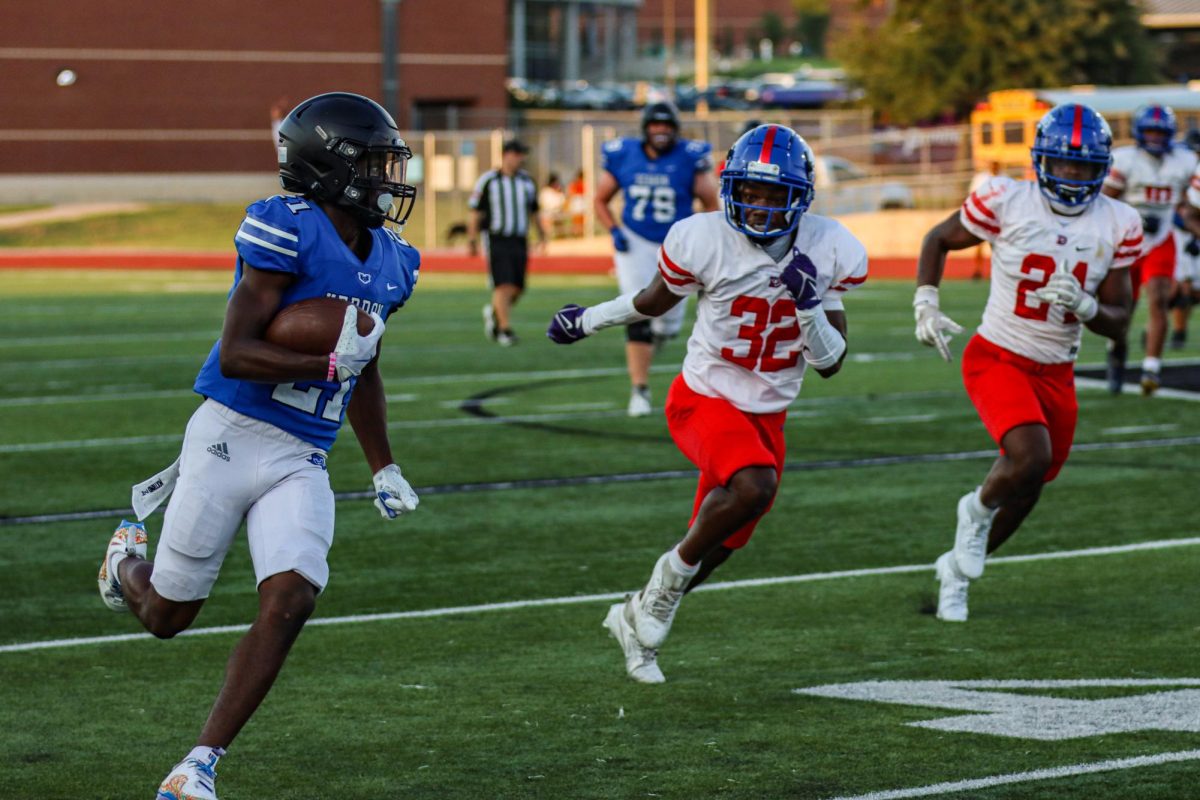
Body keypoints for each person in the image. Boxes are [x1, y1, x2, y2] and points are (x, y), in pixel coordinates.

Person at [96, 92, 422, 800]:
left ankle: (198, 765)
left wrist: (383, 463)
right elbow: (238, 353)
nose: (388, 177)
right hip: (229, 437)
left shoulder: (396, 259)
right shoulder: (285, 230)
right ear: (327, 167)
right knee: (165, 617)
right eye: (372, 163)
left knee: (293, 595)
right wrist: (325, 365)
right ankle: (125, 562)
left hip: (302, 453)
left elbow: (365, 367)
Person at [547, 124, 868, 683]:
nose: (760, 206)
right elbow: (651, 299)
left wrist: (810, 304)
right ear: (729, 188)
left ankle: (633, 618)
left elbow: (832, 362)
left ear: (802, 197)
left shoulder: (829, 245)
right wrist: (588, 320)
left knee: (725, 537)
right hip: (704, 396)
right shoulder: (703, 236)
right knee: (754, 486)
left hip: (768, 411)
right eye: (750, 191)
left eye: (774, 194)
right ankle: (665, 582)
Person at [914, 104, 1139, 622]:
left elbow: (1120, 320)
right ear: (1041, 162)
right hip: (998, 355)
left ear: (1102, 168)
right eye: (1063, 164)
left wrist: (1086, 306)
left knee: (1031, 481)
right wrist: (925, 301)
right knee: (1029, 455)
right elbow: (938, 239)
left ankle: (957, 572)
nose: (1073, 176)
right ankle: (972, 512)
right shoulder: (1006, 199)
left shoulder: (1120, 222)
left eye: (1083, 167)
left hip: (1056, 370)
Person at [594, 100, 720, 416]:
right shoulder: (624, 154)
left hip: (676, 244)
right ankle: (640, 390)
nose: (660, 130)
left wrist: (702, 239)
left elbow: (710, 203)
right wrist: (614, 230)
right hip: (635, 241)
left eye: (666, 125)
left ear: (675, 129)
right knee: (637, 309)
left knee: (667, 323)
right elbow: (600, 199)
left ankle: (657, 338)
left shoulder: (690, 157)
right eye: (655, 124)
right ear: (646, 128)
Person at [1100, 104, 1198, 394]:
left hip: (1161, 239)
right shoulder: (1126, 159)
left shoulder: (1184, 160)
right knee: (1124, 307)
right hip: (1126, 240)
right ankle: (1116, 353)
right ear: (1140, 133)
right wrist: (1131, 219)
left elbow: (1189, 201)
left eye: (1160, 132)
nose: (1155, 137)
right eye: (1150, 131)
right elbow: (1105, 201)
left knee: (1158, 299)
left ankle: (1151, 368)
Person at [468, 139, 546, 346]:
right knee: (503, 284)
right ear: (506, 155)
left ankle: (494, 313)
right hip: (496, 238)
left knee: (519, 287)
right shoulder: (489, 180)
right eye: (517, 154)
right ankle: (504, 329)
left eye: (522, 155)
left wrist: (542, 235)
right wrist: (472, 238)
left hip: (520, 238)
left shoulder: (527, 182)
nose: (521, 159)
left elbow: (535, 211)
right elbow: (476, 211)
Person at [1169, 128, 1200, 348]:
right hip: (1181, 234)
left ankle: (1173, 330)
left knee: (1192, 291)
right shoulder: (1181, 174)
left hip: (1192, 234)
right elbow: (1183, 214)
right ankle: (1173, 331)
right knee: (1180, 287)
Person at [538, 172, 567, 240]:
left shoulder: (559, 192)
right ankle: (547, 237)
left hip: (558, 212)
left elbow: (563, 202)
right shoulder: (545, 191)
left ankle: (560, 237)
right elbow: (544, 203)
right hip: (548, 213)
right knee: (545, 217)